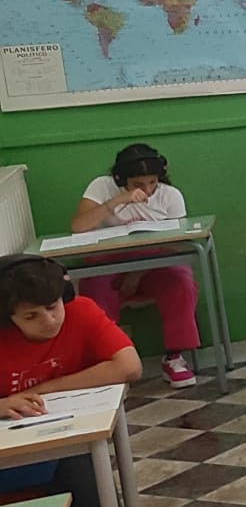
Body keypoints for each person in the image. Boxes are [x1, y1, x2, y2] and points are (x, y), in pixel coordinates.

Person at [0, 255, 143, 507]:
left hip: (59, 443)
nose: (49, 321)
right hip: (8, 454)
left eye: (53, 307)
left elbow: (129, 366)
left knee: (85, 489)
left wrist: (47, 388)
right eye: (31, 316)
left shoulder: (82, 311)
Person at [69, 143, 201, 390]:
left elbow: (178, 243)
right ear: (121, 179)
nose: (147, 190)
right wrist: (117, 200)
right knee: (93, 288)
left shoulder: (170, 195)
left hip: (153, 264)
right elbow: (78, 226)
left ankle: (174, 357)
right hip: (108, 262)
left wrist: (136, 275)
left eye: (152, 182)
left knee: (181, 280)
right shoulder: (101, 186)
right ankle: (109, 361)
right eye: (138, 184)